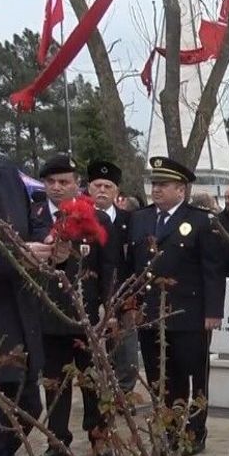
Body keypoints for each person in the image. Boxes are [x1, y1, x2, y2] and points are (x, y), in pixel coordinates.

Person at [128, 157, 226, 456]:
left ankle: (194, 432)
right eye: (154, 184)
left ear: (181, 190)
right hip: (150, 313)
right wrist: (130, 305)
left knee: (193, 374)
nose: (156, 190)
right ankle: (170, 431)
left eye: (163, 185)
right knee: (160, 377)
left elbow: (212, 269)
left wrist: (213, 311)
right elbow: (132, 267)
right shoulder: (141, 219)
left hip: (189, 313)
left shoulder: (200, 221)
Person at [31, 155, 114, 456]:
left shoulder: (97, 218)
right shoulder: (33, 215)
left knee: (92, 379)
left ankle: (98, 434)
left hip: (85, 314)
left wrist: (109, 307)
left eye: (64, 182)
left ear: (77, 184)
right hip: (47, 312)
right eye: (50, 182)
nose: (56, 187)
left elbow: (108, 269)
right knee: (54, 382)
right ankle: (57, 439)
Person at [0, 153, 49, 456]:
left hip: (19, 322)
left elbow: (33, 223)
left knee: (27, 405)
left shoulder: (7, 172)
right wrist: (16, 254)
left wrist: (48, 246)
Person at [87, 160, 138, 395]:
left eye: (108, 186)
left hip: (123, 296)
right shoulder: (80, 218)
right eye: (97, 185)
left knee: (126, 352)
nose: (102, 190)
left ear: (116, 191)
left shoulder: (130, 220)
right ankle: (99, 394)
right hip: (89, 297)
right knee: (94, 353)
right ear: (89, 188)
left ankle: (123, 396)